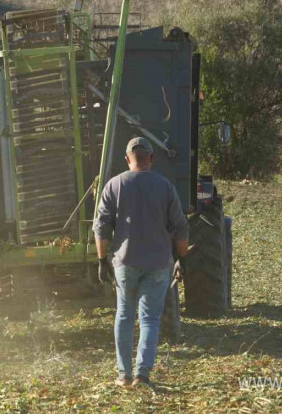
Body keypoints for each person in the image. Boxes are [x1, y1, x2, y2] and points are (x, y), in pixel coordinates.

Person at [92, 136, 190, 388]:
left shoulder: (114, 185)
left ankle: (123, 375)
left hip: (125, 263)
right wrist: (181, 259)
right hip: (158, 264)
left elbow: (101, 227)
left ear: (127, 159)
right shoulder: (165, 186)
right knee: (149, 320)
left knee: (124, 315)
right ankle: (142, 375)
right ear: (152, 159)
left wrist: (102, 260)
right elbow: (180, 228)